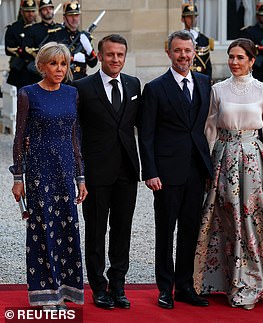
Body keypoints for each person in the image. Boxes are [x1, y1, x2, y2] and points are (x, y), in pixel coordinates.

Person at [193, 38, 263, 310]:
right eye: (231, 56)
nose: (234, 62)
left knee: (254, 218)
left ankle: (252, 282)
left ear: (252, 60)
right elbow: (209, 129)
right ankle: (220, 280)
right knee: (223, 217)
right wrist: (206, 166)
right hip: (223, 156)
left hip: (253, 159)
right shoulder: (217, 90)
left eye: (240, 57)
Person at [138, 30, 213, 309]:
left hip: (196, 169)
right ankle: (164, 289)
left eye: (188, 50)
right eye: (178, 50)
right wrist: (150, 171)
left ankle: (184, 287)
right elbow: (146, 134)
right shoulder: (156, 88)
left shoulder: (205, 82)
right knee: (165, 231)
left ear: (195, 52)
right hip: (166, 174)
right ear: (169, 53)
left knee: (190, 231)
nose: (184, 55)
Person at [11, 42, 87, 310]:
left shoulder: (72, 93)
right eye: (53, 63)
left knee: (67, 228)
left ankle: (67, 288)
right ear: (41, 66)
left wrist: (81, 177)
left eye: (63, 64)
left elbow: (75, 136)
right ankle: (46, 293)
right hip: (39, 172)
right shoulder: (27, 94)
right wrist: (18, 177)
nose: (59, 69)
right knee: (43, 229)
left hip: (65, 170)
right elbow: (19, 137)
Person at [74, 34, 141, 310]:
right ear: (99, 56)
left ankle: (118, 284)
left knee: (122, 230)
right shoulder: (82, 87)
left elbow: (141, 126)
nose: (115, 59)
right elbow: (74, 132)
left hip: (127, 170)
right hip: (96, 173)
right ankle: (98, 287)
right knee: (96, 231)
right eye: (110, 54)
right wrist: (79, 174)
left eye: (120, 55)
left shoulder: (133, 84)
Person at [55, 0, 98, 80]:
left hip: (82, 79)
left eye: (76, 15)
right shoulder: (57, 35)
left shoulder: (84, 37)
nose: (74, 19)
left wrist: (89, 50)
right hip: (63, 79)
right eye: (70, 15)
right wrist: (73, 58)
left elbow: (93, 63)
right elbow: (52, 58)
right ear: (64, 18)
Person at [4, 0, 41, 90]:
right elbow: (9, 49)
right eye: (27, 11)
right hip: (19, 72)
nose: (30, 14)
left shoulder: (40, 28)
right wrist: (26, 51)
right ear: (22, 12)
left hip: (36, 72)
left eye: (33, 11)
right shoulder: (14, 28)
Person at [25, 0, 62, 72]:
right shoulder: (33, 29)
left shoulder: (61, 29)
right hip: (40, 70)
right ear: (39, 12)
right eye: (45, 9)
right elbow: (27, 50)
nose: (48, 11)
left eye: (50, 9)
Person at [181, 3, 213, 77]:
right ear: (183, 19)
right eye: (189, 17)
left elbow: (207, 64)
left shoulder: (204, 39)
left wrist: (208, 80)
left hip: (201, 76)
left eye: (194, 17)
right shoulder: (179, 39)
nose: (192, 20)